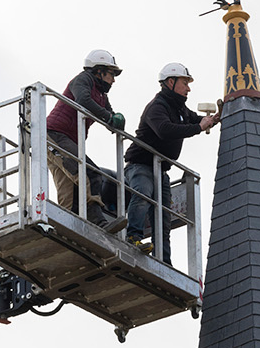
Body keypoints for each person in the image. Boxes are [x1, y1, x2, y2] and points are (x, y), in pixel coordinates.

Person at [123, 63, 218, 263]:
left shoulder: (179, 108)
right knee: (142, 195)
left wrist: (214, 119)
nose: (189, 88)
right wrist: (199, 127)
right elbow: (164, 130)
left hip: (160, 169)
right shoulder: (157, 107)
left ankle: (164, 260)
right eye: (185, 83)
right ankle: (133, 237)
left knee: (163, 216)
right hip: (141, 165)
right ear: (170, 82)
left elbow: (195, 119)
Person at [46, 50, 126, 228]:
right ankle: (98, 221)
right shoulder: (83, 80)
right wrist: (109, 116)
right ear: (99, 71)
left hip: (65, 140)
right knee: (89, 173)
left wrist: (117, 120)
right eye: (111, 74)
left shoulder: (101, 95)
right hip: (55, 135)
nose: (113, 79)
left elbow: (109, 117)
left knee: (69, 192)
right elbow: (83, 99)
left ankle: (65, 230)